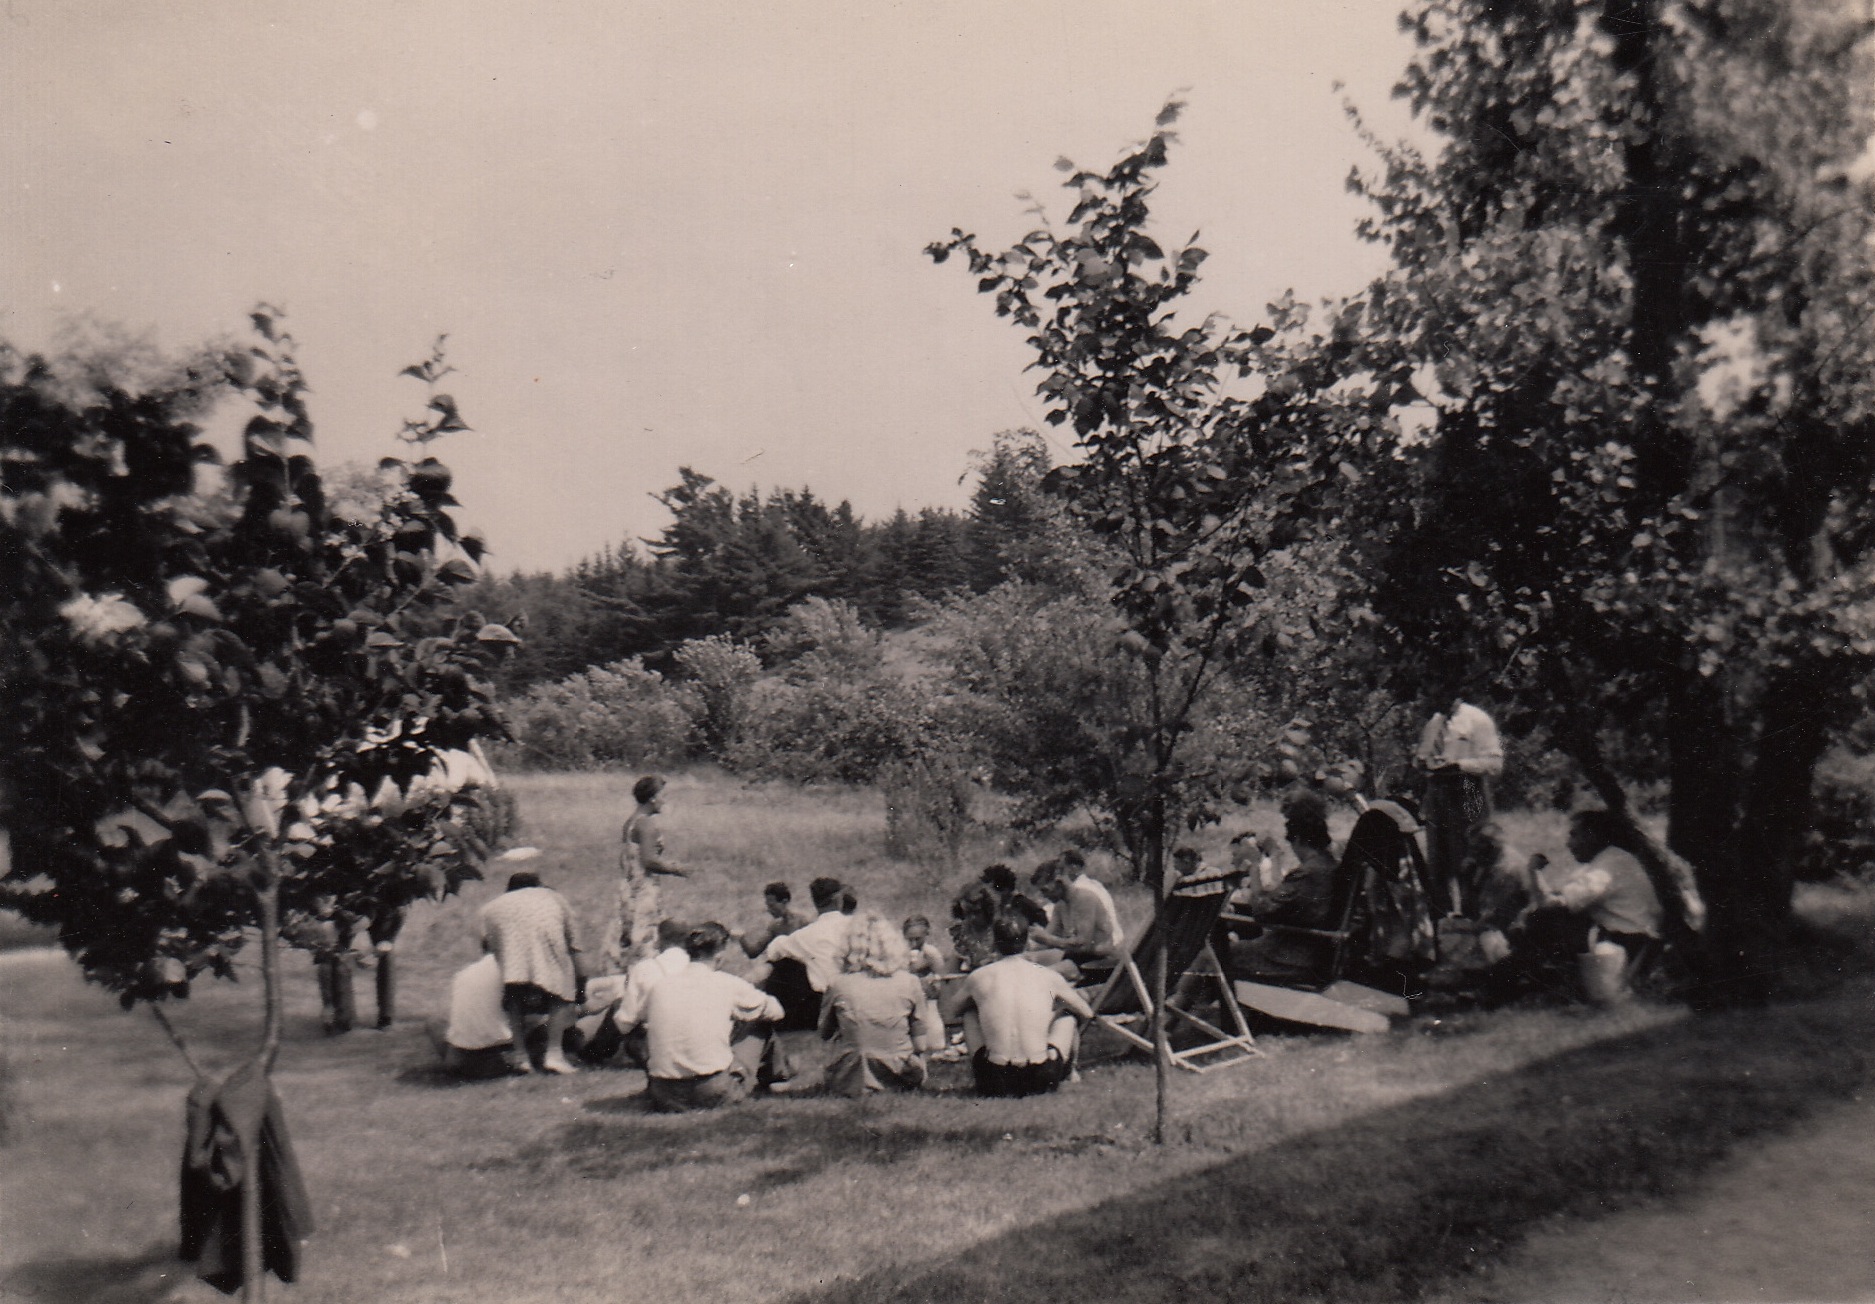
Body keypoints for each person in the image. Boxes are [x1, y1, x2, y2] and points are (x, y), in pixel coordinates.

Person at [638, 923, 783, 1112]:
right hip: (711, 1090)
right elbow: (777, 1011)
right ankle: (780, 1074)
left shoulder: (660, 985)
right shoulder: (726, 983)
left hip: (664, 1093)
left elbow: (641, 1019)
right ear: (719, 956)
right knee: (760, 1026)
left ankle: (781, 1071)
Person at [947, 915, 1093, 1098]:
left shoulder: (979, 976)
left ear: (995, 942)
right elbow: (1087, 1013)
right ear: (1027, 943)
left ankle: (984, 1065)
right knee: (1068, 1015)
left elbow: (950, 1012)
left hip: (994, 1079)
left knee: (969, 1013)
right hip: (1041, 1076)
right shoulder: (1048, 975)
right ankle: (1070, 1072)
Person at [1227, 788, 1342, 984]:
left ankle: (1177, 1007)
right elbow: (1283, 897)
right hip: (1313, 953)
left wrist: (1254, 866)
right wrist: (1275, 857)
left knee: (1215, 954)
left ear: (1297, 839)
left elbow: (1262, 911)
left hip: (1288, 957)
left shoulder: (1308, 873)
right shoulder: (1331, 866)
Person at [817, 914, 940, 1097]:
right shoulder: (910, 982)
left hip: (850, 1077)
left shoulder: (838, 984)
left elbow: (824, 1033)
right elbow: (921, 1044)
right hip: (900, 1075)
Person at [478, 871, 583, 1075]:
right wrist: (581, 983)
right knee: (560, 987)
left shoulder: (491, 908)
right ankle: (554, 1054)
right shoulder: (554, 898)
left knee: (513, 995)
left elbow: (487, 948)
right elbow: (574, 944)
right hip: (546, 950)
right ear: (538, 886)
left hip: (512, 961)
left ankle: (520, 1056)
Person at [1416, 688, 1505, 916]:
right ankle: (1443, 925)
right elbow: (1425, 756)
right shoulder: (1434, 723)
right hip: (1438, 793)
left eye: (1435, 691)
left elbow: (1494, 765)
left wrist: (1460, 765)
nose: (1428, 698)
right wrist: (1422, 763)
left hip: (1468, 790)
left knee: (1470, 860)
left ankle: (1474, 919)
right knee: (1436, 865)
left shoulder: (1477, 719)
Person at [577, 917, 691, 1067]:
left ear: (659, 938)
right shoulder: (700, 966)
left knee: (620, 1006)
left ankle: (594, 1054)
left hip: (656, 1046)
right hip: (692, 1043)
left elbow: (626, 1020)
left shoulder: (645, 968)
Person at [605, 774, 688, 971]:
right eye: (663, 796)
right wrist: (677, 869)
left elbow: (626, 857)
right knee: (645, 936)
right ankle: (643, 975)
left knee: (628, 931)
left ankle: (623, 973)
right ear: (652, 798)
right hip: (644, 888)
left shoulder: (631, 822)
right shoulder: (647, 825)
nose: (665, 801)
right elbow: (649, 861)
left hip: (629, 885)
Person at [1027, 852, 1126, 980]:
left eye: (1045, 890)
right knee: (1025, 961)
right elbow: (1046, 938)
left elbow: (1082, 944)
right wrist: (1026, 943)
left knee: (1042, 975)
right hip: (1077, 959)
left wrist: (1047, 939)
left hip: (1100, 963)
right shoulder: (1060, 906)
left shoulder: (1085, 899)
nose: (1044, 896)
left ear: (1059, 881)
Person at [427, 952, 513, 1079]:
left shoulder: (466, 972)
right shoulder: (512, 969)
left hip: (455, 1055)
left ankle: (458, 1061)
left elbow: (437, 1019)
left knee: (435, 1021)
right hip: (490, 1056)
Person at [737, 882, 815, 959]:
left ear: (784, 902)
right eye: (767, 906)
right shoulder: (775, 926)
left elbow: (813, 952)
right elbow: (753, 953)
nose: (769, 910)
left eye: (772, 905)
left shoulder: (803, 923)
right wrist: (741, 938)